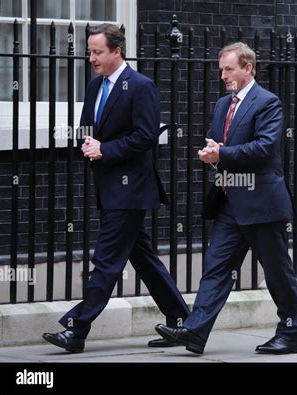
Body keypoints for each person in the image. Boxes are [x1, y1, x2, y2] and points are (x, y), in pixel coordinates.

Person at [42, 24, 190, 353]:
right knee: (146, 259)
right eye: (90, 51)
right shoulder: (96, 87)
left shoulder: (140, 86)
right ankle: (183, 323)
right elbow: (87, 128)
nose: (91, 57)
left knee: (107, 260)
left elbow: (146, 136)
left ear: (116, 52)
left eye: (97, 52)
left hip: (131, 190)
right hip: (109, 186)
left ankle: (76, 329)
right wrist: (87, 142)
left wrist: (105, 149)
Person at [153, 42, 297, 354]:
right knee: (216, 266)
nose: (223, 75)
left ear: (248, 68)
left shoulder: (268, 103)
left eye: (229, 69)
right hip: (231, 202)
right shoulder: (223, 105)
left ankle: (290, 333)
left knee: (277, 272)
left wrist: (222, 153)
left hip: (263, 202)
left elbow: (264, 148)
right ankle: (194, 331)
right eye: (221, 69)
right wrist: (213, 155)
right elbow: (220, 146)